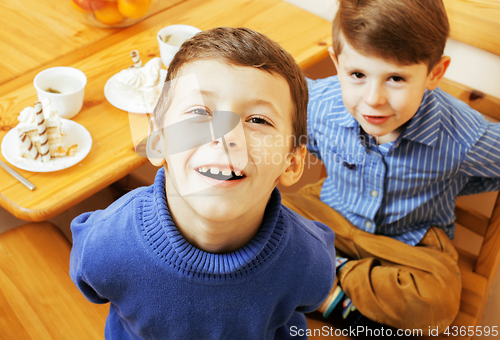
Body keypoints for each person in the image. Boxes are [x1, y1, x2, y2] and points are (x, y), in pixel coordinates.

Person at [70, 27, 337, 340]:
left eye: (258, 120)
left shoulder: (310, 261)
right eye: (199, 112)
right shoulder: (104, 245)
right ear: (157, 141)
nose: (225, 137)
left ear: (291, 163)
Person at [281, 0, 500, 333]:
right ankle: (338, 295)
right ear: (337, 63)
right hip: (329, 214)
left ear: (434, 73)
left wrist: (456, 177)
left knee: (437, 303)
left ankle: (323, 282)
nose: (373, 99)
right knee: (254, 214)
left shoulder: (460, 133)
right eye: (357, 75)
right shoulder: (320, 104)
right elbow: (280, 108)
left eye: (396, 78)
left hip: (409, 243)